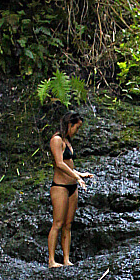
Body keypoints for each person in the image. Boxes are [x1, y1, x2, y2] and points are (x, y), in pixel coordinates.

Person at [47, 111, 94, 267]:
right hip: (60, 186)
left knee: (68, 224)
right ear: (70, 124)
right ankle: (52, 260)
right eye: (77, 127)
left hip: (72, 187)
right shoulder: (57, 139)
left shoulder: (67, 140)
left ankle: (66, 259)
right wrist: (77, 178)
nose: (77, 131)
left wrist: (80, 174)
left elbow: (68, 164)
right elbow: (59, 164)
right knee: (58, 223)